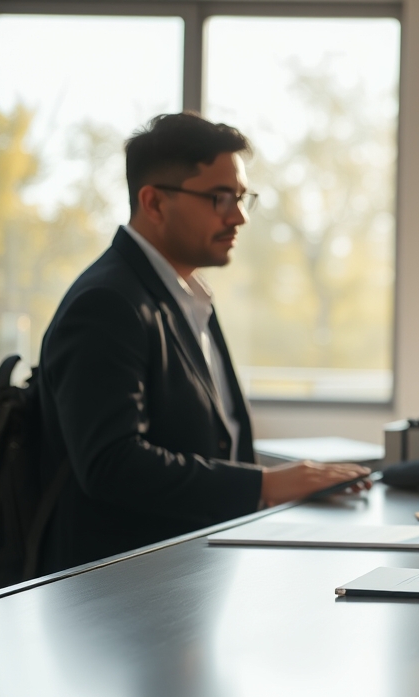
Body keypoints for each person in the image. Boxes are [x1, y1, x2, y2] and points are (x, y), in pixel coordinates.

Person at [37, 113, 371, 574]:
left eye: (241, 197)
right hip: (127, 593)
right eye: (220, 198)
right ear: (153, 203)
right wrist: (264, 485)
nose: (239, 216)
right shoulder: (107, 303)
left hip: (188, 574)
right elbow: (111, 464)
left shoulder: (183, 296)